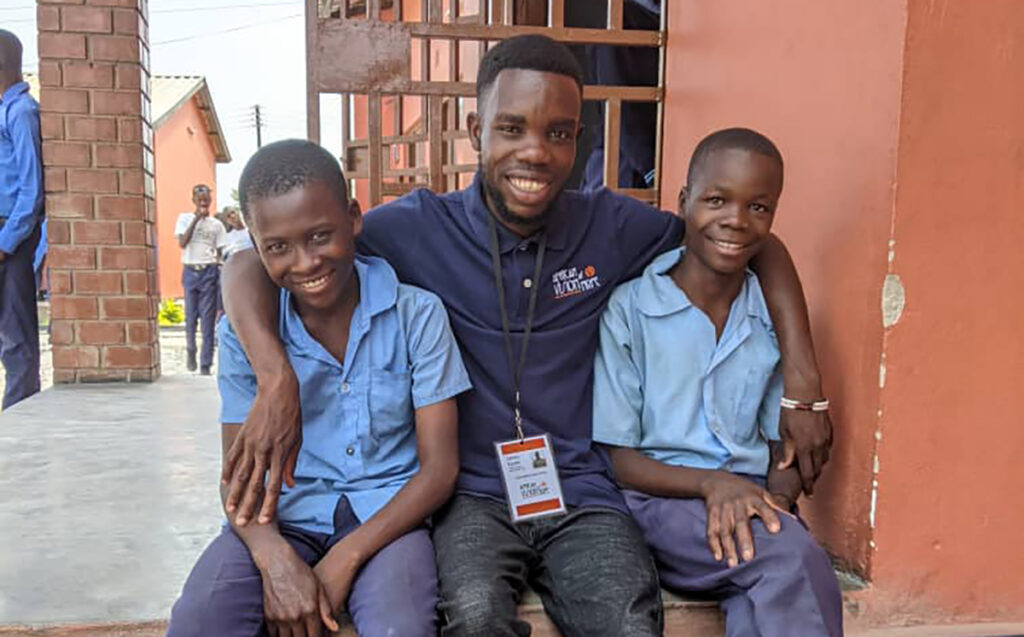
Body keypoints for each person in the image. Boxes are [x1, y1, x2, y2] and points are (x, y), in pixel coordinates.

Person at [221, 35, 832, 636]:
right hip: (472, 494)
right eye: (511, 128)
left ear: (578, 141)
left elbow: (753, 241)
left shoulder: (610, 224)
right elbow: (250, 262)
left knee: (624, 616)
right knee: (474, 612)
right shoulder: (416, 228)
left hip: (583, 488)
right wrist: (276, 377)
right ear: (474, 129)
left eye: (558, 133)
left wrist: (804, 388)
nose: (535, 152)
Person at [167, 140, 471, 637]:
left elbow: (439, 471)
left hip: (387, 518)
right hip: (282, 516)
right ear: (257, 247)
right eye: (278, 247)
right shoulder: (245, 336)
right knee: (201, 619)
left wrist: (345, 556)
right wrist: (274, 559)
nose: (305, 262)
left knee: (403, 625)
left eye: (319, 236)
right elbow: (236, 480)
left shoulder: (416, 315)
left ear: (353, 218)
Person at [593, 128, 842, 637]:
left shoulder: (768, 314)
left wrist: (775, 497)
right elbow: (620, 460)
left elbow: (786, 443)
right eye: (716, 200)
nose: (736, 220)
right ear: (684, 202)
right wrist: (714, 485)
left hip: (751, 501)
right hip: (662, 505)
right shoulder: (631, 311)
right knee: (788, 558)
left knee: (758, 605)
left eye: (759, 207)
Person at [0, 30, 43, 410]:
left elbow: (31, 190)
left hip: (8, 239)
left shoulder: (22, 112)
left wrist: (5, 243)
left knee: (17, 339)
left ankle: (19, 417)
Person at [175, 184, 226, 374]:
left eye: (206, 200)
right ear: (193, 200)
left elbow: (221, 250)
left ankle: (205, 364)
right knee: (190, 318)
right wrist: (197, 218)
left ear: (210, 201)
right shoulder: (184, 219)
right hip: (190, 270)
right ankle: (191, 351)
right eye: (199, 199)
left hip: (209, 271)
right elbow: (182, 243)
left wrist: (221, 268)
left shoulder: (217, 225)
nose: (203, 203)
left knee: (208, 320)